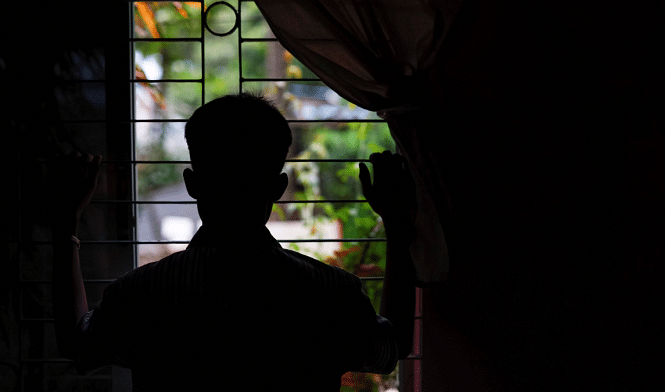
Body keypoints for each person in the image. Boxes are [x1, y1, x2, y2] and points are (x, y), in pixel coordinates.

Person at [49, 93, 417, 391]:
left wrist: (66, 223)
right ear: (278, 188)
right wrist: (398, 226)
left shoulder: (144, 293)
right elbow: (393, 345)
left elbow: (76, 343)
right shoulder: (330, 293)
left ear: (192, 184)